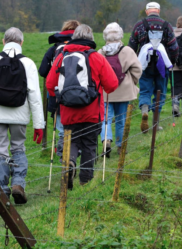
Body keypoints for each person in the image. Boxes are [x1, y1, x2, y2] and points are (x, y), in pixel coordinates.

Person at [0, 27, 44, 204]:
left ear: (4, 41)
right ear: (21, 42)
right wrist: (39, 124)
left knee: (0, 151)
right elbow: (35, 96)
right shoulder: (28, 63)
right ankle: (18, 184)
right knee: (18, 148)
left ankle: (0, 191)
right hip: (19, 115)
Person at [46, 24, 118, 187]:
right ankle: (85, 181)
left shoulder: (61, 57)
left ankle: (70, 162)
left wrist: (61, 97)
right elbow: (112, 84)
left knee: (71, 141)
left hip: (68, 112)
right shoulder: (96, 57)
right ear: (91, 38)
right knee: (89, 144)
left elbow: (50, 85)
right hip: (92, 112)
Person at [128, 2, 178, 133]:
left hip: (144, 65)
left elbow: (131, 47)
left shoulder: (139, 25)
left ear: (146, 11)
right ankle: (156, 123)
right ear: (159, 11)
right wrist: (171, 62)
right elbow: (174, 47)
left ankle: (145, 109)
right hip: (162, 66)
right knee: (160, 93)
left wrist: (133, 65)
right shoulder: (167, 26)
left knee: (145, 91)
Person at [98, 23, 142, 156]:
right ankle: (121, 146)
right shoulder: (127, 51)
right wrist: (131, 82)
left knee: (106, 118)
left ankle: (106, 140)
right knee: (121, 119)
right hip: (124, 92)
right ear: (120, 35)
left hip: (106, 92)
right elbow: (137, 69)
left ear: (105, 36)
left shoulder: (101, 52)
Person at [38, 20, 80, 161]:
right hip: (79, 94)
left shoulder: (54, 49)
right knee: (77, 126)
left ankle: (64, 160)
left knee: (62, 128)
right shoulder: (83, 48)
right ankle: (74, 154)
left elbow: (43, 71)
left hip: (57, 94)